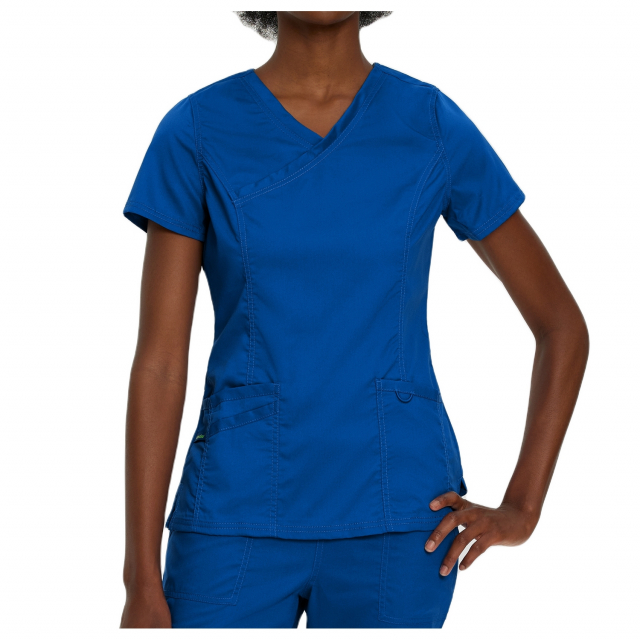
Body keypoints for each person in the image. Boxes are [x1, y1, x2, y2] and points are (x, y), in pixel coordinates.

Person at [119, 11, 589, 629]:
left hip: (400, 521)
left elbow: (561, 326)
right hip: (234, 513)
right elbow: (159, 364)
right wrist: (140, 578)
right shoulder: (197, 131)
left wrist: (522, 508)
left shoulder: (429, 125)